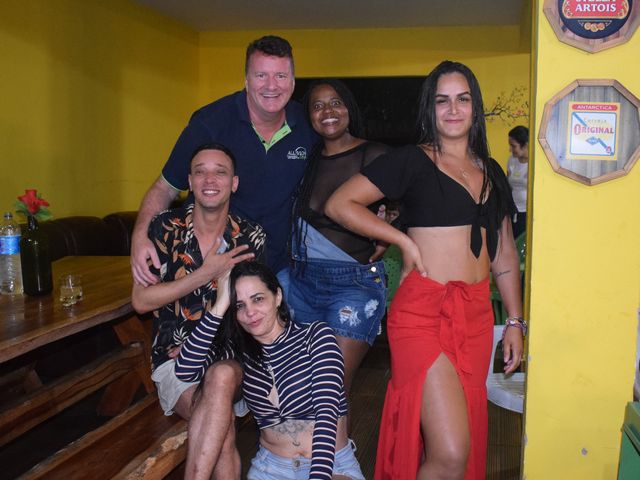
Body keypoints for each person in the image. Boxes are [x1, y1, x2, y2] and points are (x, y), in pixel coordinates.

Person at [325, 61, 525, 480]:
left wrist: (514, 321)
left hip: (474, 317)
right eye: (442, 101)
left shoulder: (492, 171)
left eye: (462, 99)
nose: (453, 109)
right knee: (451, 452)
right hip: (422, 313)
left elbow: (505, 255)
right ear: (429, 110)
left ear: (475, 107)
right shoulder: (411, 161)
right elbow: (340, 204)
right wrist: (401, 240)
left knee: (461, 449)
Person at [130, 35, 316, 291]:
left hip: (278, 269)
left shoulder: (307, 124)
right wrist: (139, 238)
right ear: (246, 81)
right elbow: (165, 187)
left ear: (293, 82)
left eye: (281, 76)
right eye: (261, 75)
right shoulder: (209, 123)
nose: (271, 85)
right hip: (209, 267)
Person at [131, 143, 266, 480]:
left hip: (229, 357)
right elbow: (141, 301)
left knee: (220, 378)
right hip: (173, 362)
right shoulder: (164, 228)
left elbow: (252, 312)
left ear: (234, 183)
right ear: (189, 182)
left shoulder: (250, 237)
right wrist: (205, 274)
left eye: (220, 172)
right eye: (200, 171)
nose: (210, 179)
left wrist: (206, 347)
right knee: (222, 425)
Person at [174, 261, 365, 480]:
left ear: (278, 296)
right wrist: (220, 305)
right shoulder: (239, 353)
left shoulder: (316, 337)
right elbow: (185, 370)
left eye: (258, 299)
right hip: (271, 469)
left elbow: (327, 413)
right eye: (239, 305)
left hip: (330, 466)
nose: (250, 312)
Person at [287, 79, 389, 402]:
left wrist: (387, 233)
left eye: (335, 102)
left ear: (348, 108)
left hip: (353, 284)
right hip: (302, 282)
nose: (327, 111)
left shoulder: (374, 154)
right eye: (317, 106)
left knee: (331, 389)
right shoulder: (305, 159)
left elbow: (412, 202)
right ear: (309, 117)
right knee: (306, 388)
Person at [506, 125, 529, 239]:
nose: (510, 149)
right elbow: (508, 185)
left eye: (513, 146)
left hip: (527, 213)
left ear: (525, 145)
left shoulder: (534, 164)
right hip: (513, 210)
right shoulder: (512, 160)